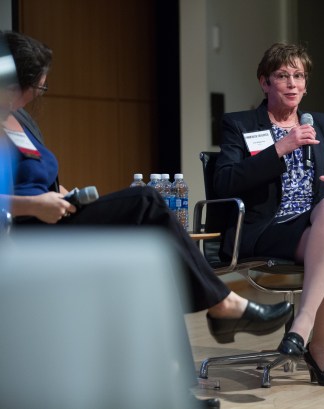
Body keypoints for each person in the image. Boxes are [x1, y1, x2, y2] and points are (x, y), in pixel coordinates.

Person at [1, 30, 293, 347]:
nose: (35, 96)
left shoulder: (20, 121)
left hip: (52, 220)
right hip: (24, 233)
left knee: (153, 255)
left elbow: (39, 180)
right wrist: (35, 205)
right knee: (145, 200)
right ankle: (224, 306)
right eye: (36, 87)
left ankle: (180, 379)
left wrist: (61, 195)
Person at [214, 43, 324, 387]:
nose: (291, 83)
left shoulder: (321, 124)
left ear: (306, 84)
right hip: (266, 229)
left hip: (314, 226)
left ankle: (305, 330)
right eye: (282, 76)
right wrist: (279, 149)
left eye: (298, 76)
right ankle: (319, 344)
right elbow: (224, 181)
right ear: (264, 83)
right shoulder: (239, 124)